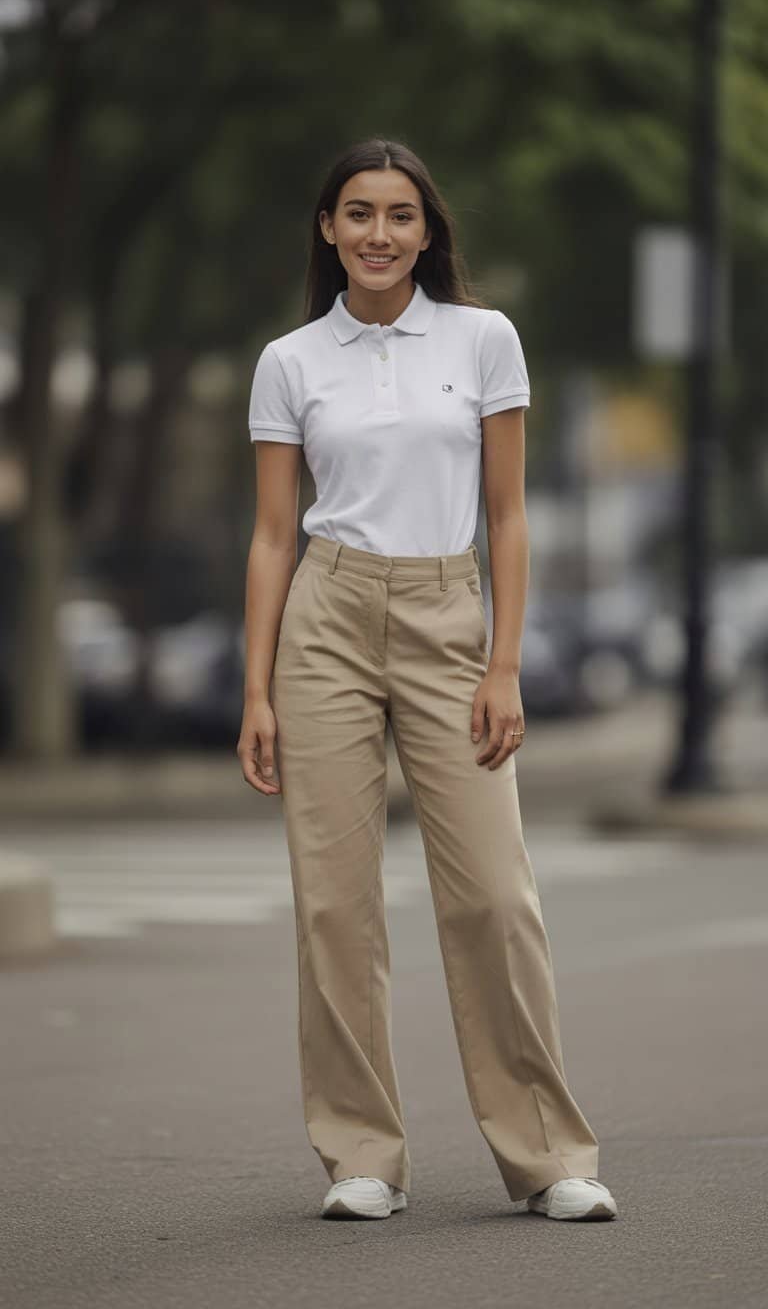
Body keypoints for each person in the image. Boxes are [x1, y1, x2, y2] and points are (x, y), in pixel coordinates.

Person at [238, 136, 618, 1224]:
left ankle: (548, 1156)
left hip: (453, 617)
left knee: (496, 896)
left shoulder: (482, 340)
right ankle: (361, 1154)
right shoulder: (290, 360)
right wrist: (257, 687)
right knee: (335, 907)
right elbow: (272, 536)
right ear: (327, 228)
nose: (378, 234)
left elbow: (507, 514)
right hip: (328, 617)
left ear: (428, 230)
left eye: (399, 215)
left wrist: (503, 661)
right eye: (357, 213)